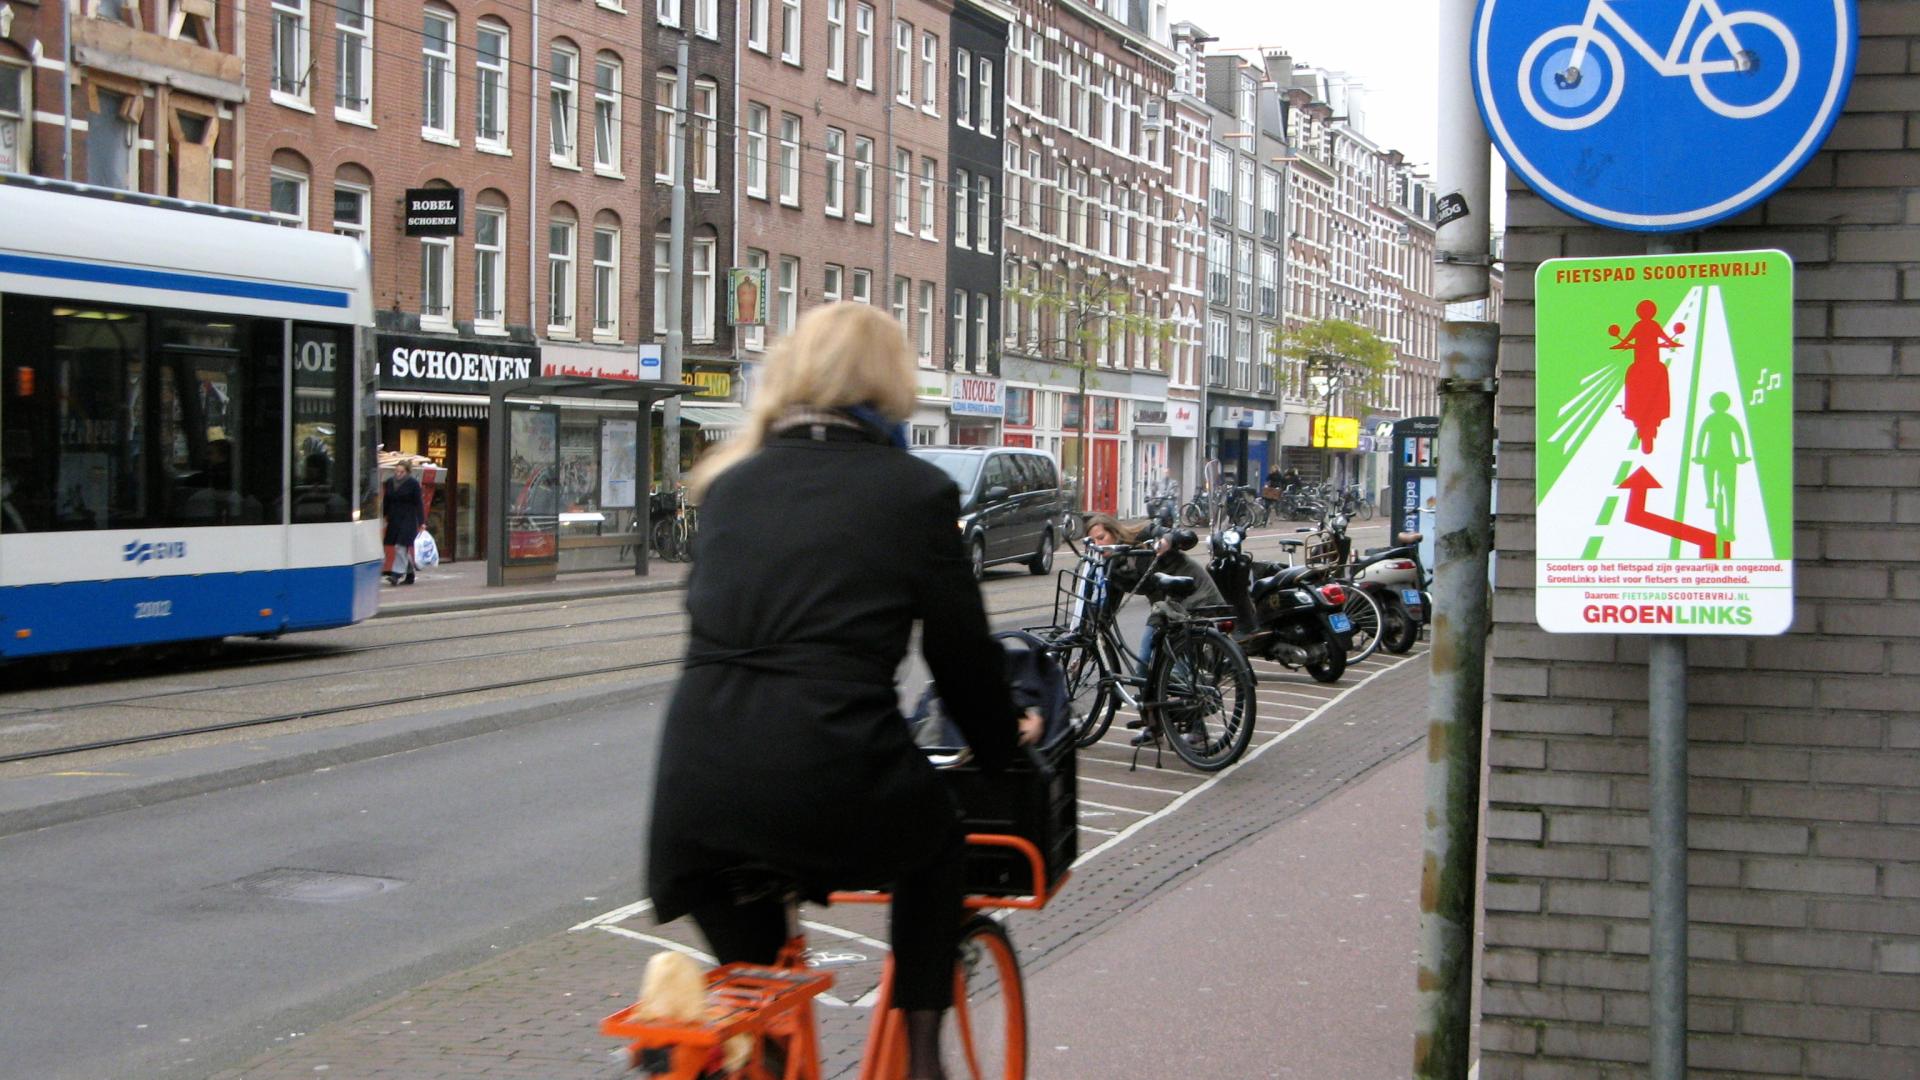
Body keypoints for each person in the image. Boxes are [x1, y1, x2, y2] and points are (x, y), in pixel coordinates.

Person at [645, 303, 1043, 1080]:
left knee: (761, 1016)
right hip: (834, 771)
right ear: (888, 383)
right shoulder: (916, 493)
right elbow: (962, 663)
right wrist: (1006, 745)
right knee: (934, 849)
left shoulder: (729, 487)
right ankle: (924, 1058)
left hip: (695, 792)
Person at [1611, 299, 1685, 454]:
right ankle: (1640, 408)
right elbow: (1664, 338)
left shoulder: (1648, 325)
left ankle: (1643, 408)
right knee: (1652, 375)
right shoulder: (1648, 325)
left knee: (1639, 375)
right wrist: (1671, 342)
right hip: (1649, 363)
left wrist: (1622, 343)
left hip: (1643, 363)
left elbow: (1630, 339)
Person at [381, 461, 426, 585]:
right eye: (396, 471)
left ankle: (396, 574)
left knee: (400, 546)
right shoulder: (390, 482)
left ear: (407, 472)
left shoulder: (413, 484)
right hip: (394, 518)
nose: (398, 474)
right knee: (401, 548)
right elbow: (387, 500)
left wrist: (422, 521)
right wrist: (383, 516)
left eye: (402, 472)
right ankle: (410, 574)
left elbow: (419, 503)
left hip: (408, 518)